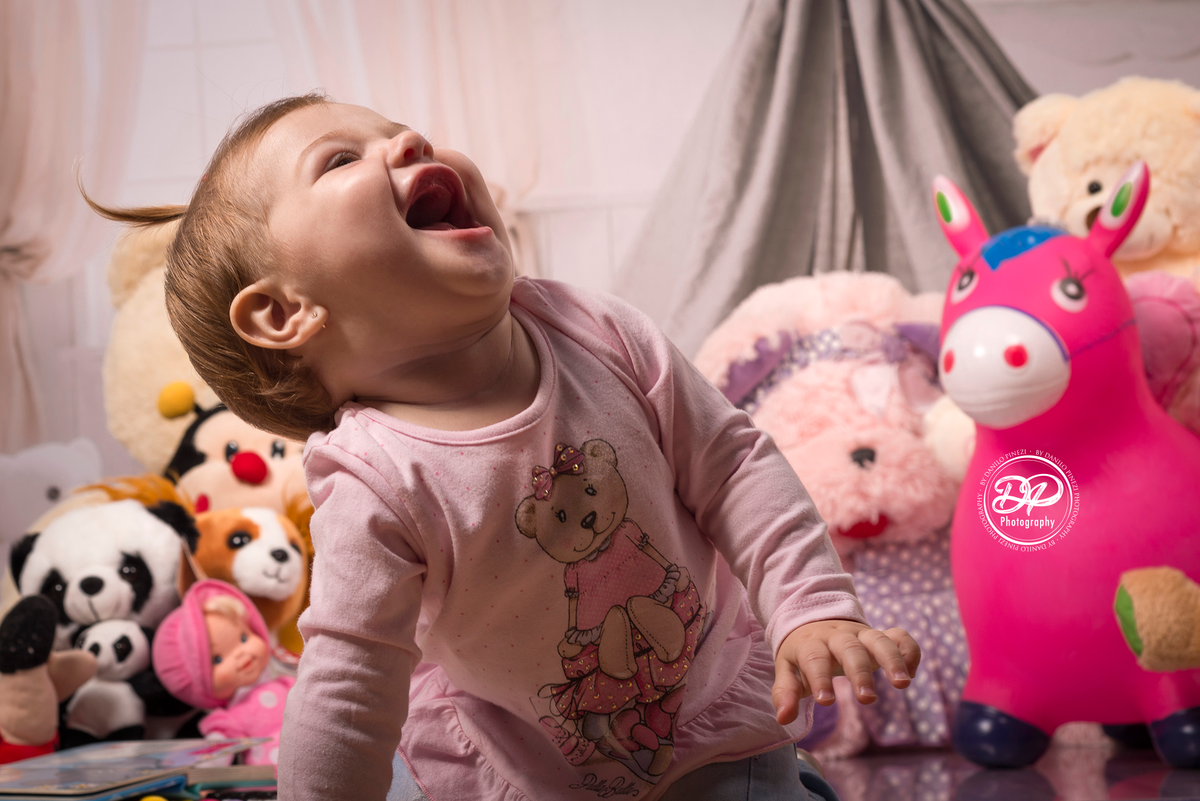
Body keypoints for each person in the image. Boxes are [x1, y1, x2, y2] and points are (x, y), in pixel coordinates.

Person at [89, 93, 921, 801]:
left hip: (716, 728)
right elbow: (347, 685)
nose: (406, 143)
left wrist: (812, 607)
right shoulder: (377, 480)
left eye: (399, 130)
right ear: (285, 313)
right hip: (531, 768)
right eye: (341, 160)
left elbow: (735, 465)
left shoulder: (598, 332)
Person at [153, 579, 294, 766]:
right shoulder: (228, 721)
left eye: (244, 637)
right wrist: (205, 775)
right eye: (217, 659)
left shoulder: (286, 684)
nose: (241, 654)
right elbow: (215, 757)